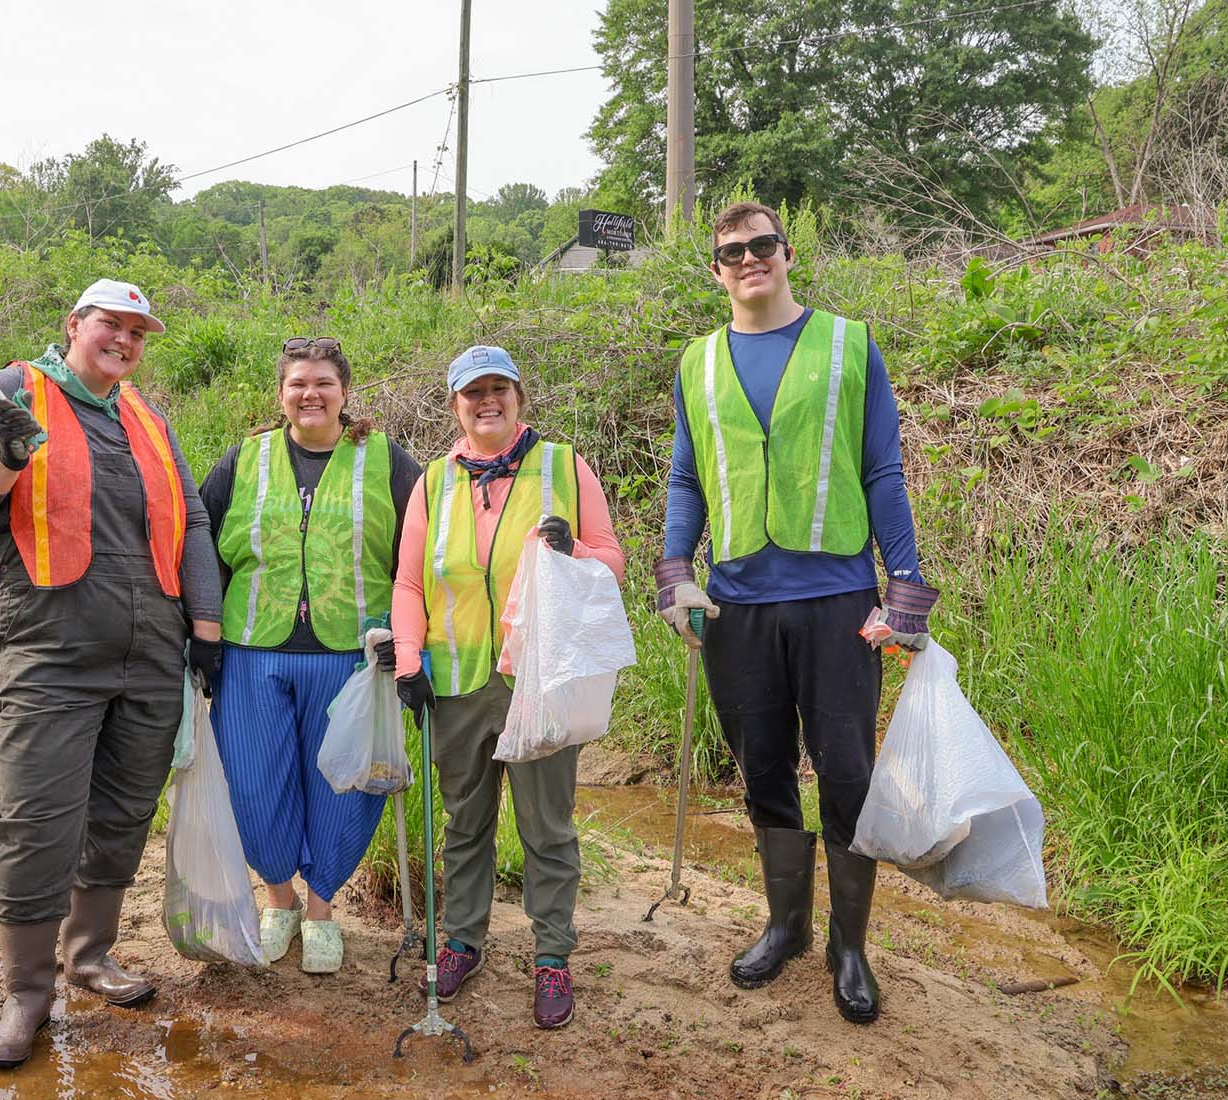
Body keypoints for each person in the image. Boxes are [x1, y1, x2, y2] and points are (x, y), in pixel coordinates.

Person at [0, 278, 224, 1069]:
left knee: (122, 813)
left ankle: (89, 957)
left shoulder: (149, 420)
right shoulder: (13, 390)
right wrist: (6, 453)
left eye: (137, 331)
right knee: (37, 821)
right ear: (74, 325)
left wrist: (207, 623)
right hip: (49, 648)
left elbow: (190, 519)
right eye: (109, 325)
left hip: (152, 651)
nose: (123, 340)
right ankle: (28, 994)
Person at [655, 202, 939, 1024]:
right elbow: (685, 479)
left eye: (763, 246)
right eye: (732, 252)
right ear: (716, 269)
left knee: (847, 771)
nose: (749, 260)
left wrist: (906, 586)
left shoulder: (850, 343)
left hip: (838, 601)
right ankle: (786, 925)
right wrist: (678, 573)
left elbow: (882, 469)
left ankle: (850, 946)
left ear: (787, 253)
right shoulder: (696, 362)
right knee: (765, 769)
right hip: (737, 606)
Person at [389, 345, 625, 1030]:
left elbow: (611, 561)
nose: (486, 401)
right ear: (455, 403)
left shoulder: (563, 466)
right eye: (472, 392)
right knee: (465, 823)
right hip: (458, 684)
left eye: (499, 389)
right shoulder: (433, 481)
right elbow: (409, 583)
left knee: (547, 828)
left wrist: (573, 548)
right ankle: (463, 941)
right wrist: (410, 660)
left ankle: (552, 956)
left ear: (519, 396)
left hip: (542, 682)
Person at [199, 337, 422, 974]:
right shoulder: (246, 460)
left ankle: (322, 907)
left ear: (345, 392)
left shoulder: (385, 460)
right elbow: (199, 543)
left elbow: (418, 554)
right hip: (250, 652)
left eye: (323, 382)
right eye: (298, 383)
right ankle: (278, 899)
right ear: (281, 395)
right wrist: (202, 636)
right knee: (251, 779)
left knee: (345, 783)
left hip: (353, 657)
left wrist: (410, 645)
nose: (310, 394)